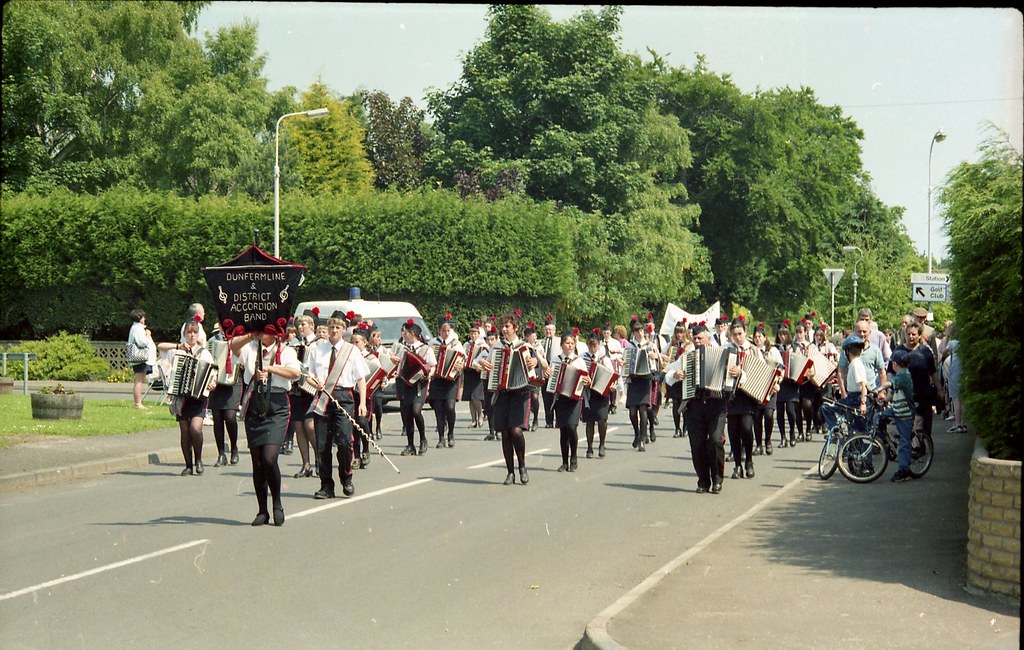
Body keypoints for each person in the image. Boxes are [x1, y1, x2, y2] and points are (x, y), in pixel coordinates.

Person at [231, 326, 301, 526]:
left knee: (270, 458)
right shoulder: (250, 347)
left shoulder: (286, 350)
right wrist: (249, 335)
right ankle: (262, 510)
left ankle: (277, 502)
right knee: (258, 462)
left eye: (265, 330)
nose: (261, 333)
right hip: (255, 404)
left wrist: (271, 369)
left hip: (277, 405)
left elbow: (294, 372)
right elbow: (233, 347)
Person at [306, 316, 369, 499]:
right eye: (332, 327)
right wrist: (313, 382)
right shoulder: (317, 349)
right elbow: (308, 374)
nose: (334, 330)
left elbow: (360, 379)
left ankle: (346, 478)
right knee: (322, 445)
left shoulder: (351, 351)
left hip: (344, 397)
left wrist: (363, 403)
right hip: (323, 396)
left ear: (343, 330)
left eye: (338, 327)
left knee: (343, 441)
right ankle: (326, 485)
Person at [477, 311, 538, 485]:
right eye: (502, 326)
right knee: (505, 433)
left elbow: (539, 368)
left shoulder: (525, 347)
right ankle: (510, 472)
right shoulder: (496, 347)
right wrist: (482, 364)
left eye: (507, 326)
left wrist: (536, 363)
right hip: (502, 393)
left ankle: (522, 466)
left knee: (516, 431)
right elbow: (479, 363)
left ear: (516, 328)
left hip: (521, 394)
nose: (504, 329)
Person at [674, 324, 727, 494]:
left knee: (716, 440)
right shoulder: (688, 356)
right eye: (695, 339)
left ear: (708, 338)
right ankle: (703, 481)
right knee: (697, 444)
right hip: (695, 405)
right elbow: (669, 372)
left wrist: (737, 372)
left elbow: (740, 375)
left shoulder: (723, 354)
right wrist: (676, 374)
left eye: (700, 338)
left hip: (716, 404)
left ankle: (717, 478)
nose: (697, 341)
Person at [164, 320, 218, 476]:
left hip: (199, 398)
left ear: (198, 334)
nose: (192, 335)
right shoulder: (177, 352)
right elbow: (167, 368)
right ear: (184, 335)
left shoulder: (204, 353)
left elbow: (212, 372)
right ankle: (188, 465)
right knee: (185, 432)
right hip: (182, 398)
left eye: (194, 332)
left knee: (195, 429)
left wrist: (212, 383)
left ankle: (199, 460)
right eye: (189, 332)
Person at [389, 319, 436, 456]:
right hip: (405, 384)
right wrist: (393, 360)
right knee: (407, 414)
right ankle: (410, 445)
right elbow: (398, 365)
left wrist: (428, 375)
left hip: (419, 385)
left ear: (413, 334)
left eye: (407, 333)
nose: (404, 335)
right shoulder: (403, 349)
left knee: (416, 411)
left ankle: (423, 439)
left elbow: (433, 366)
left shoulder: (426, 349)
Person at [893, 322, 943, 441]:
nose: (911, 337)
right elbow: (891, 371)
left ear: (919, 335)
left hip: (923, 393)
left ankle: (923, 447)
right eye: (908, 334)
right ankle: (914, 448)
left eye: (914, 334)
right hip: (905, 394)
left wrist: (939, 389)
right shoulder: (899, 351)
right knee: (914, 422)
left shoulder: (925, 351)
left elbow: (933, 372)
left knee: (925, 425)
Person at [551, 332, 591, 472]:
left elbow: (588, 380)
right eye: (567, 343)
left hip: (575, 399)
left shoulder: (579, 361)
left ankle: (574, 456)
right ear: (562, 344)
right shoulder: (556, 360)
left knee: (572, 428)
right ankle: (564, 462)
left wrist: (586, 381)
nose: (570, 345)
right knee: (563, 430)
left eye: (572, 343)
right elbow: (552, 378)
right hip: (561, 398)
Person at [286, 314, 320, 478]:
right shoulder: (293, 345)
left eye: (303, 324)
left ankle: (319, 458)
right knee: (298, 426)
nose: (300, 327)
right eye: (299, 324)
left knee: (310, 426)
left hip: (312, 389)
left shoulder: (319, 343)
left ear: (312, 326)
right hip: (297, 389)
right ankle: (306, 464)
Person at [725, 318, 758, 480]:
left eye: (740, 333)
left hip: (748, 396)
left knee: (746, 428)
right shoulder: (727, 350)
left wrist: (741, 374)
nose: (737, 337)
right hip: (731, 395)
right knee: (733, 431)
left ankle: (749, 461)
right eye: (734, 334)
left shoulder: (753, 350)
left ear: (745, 332)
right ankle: (737, 465)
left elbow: (759, 374)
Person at [878, 349, 918, 482]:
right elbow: (892, 392)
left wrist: (879, 389)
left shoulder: (904, 375)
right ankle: (886, 441)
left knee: (904, 442)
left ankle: (904, 469)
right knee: (879, 418)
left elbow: (889, 384)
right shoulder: (900, 376)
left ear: (894, 364)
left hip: (905, 413)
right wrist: (885, 400)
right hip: (896, 409)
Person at [427, 314, 465, 448]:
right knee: (438, 409)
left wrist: (460, 366)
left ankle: (451, 433)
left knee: (450, 407)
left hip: (451, 380)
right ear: (439, 331)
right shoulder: (433, 344)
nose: (446, 333)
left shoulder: (456, 344)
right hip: (437, 380)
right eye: (443, 331)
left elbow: (463, 359)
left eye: (448, 331)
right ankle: (441, 438)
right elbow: (427, 360)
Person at [207, 324, 242, 468]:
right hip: (217, 383)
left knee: (230, 416)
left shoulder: (239, 340)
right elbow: (208, 362)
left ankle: (234, 448)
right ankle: (221, 454)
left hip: (233, 381)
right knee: (217, 418)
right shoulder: (212, 341)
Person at [821, 335, 869, 434]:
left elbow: (863, 385)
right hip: (852, 397)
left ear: (847, 352)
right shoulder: (854, 364)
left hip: (855, 398)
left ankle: (836, 431)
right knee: (854, 427)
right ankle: (849, 444)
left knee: (826, 408)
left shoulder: (856, 365)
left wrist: (863, 403)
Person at [624, 317, 655, 452]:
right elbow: (625, 363)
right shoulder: (630, 346)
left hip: (645, 379)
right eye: (637, 331)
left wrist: (654, 358)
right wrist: (625, 370)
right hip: (633, 380)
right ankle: (636, 433)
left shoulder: (649, 345)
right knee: (632, 412)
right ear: (633, 333)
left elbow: (655, 364)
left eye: (641, 330)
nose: (639, 333)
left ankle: (642, 438)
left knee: (643, 409)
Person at [751, 323, 782, 455]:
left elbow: (781, 368)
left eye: (760, 336)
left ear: (765, 337)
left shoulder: (773, 351)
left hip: (771, 388)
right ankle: (758, 444)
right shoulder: (752, 351)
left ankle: (768, 440)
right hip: (757, 389)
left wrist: (778, 382)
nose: (757, 339)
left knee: (768, 415)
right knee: (757, 418)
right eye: (755, 337)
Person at [582, 329, 614, 458]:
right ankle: (589, 448)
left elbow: (611, 373)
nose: (592, 348)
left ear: (598, 345)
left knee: (602, 419)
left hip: (602, 393)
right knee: (589, 421)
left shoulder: (603, 358)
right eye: (590, 345)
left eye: (594, 345)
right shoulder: (583, 358)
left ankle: (601, 444)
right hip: (589, 393)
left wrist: (612, 385)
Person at [773, 321, 802, 448]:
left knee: (791, 411)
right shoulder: (774, 349)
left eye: (784, 334)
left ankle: (792, 433)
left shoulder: (795, 347)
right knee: (779, 412)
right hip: (780, 383)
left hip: (791, 383)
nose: (782, 337)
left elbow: (801, 362)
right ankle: (782, 437)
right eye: (779, 335)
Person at [664, 321, 693, 439]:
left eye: (681, 332)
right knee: (675, 403)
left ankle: (686, 427)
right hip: (673, 377)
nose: (679, 335)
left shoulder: (689, 345)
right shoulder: (671, 344)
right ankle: (677, 428)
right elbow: (662, 356)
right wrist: (664, 358)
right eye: (677, 332)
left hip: (684, 377)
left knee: (684, 403)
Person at [940, 323, 966, 433]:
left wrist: (946, 338)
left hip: (954, 372)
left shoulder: (952, 343)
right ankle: (963, 423)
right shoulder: (963, 344)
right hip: (963, 372)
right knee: (963, 400)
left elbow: (943, 352)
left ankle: (957, 424)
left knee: (955, 400)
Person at [461, 322, 488, 430]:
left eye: (475, 333)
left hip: (478, 373)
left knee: (476, 396)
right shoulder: (466, 345)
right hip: (468, 372)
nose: (473, 335)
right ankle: (473, 420)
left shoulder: (483, 345)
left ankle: (480, 415)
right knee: (470, 398)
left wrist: (479, 364)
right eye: (471, 333)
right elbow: (463, 356)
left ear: (479, 334)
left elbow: (486, 356)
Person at [128, 309, 153, 410]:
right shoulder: (138, 329)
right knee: (139, 380)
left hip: (138, 358)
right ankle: (138, 403)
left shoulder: (135, 327)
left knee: (139, 380)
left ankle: (138, 402)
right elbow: (142, 342)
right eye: (143, 317)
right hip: (140, 358)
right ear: (139, 318)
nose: (144, 319)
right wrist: (148, 336)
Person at [540, 316, 560, 429]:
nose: (548, 331)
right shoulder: (541, 342)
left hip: (554, 372)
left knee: (555, 397)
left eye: (550, 330)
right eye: (546, 330)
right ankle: (549, 421)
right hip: (544, 373)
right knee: (546, 398)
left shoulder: (558, 342)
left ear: (554, 330)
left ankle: (558, 419)